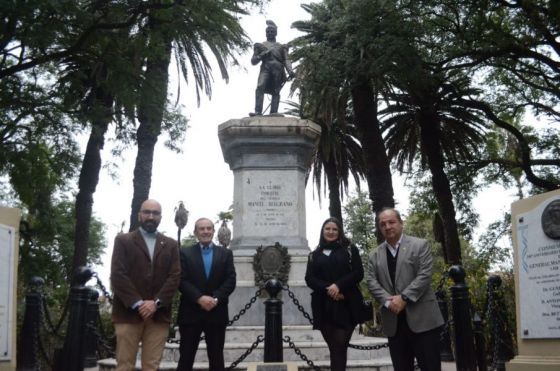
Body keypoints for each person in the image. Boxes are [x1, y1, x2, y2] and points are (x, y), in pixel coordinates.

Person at [367, 208, 444, 371]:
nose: (387, 227)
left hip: (423, 320)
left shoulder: (420, 245)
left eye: (391, 222)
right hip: (394, 323)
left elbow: (424, 275)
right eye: (383, 224)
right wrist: (389, 302)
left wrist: (403, 298)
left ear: (401, 223)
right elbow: (371, 281)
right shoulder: (374, 255)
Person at [110, 199, 181, 371]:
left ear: (160, 217)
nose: (151, 216)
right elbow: (118, 275)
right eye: (147, 212)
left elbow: (175, 276)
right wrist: (138, 303)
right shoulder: (123, 240)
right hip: (128, 313)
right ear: (139, 215)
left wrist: (155, 303)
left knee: (152, 366)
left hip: (158, 315)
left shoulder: (170, 244)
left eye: (155, 213)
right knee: (124, 365)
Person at [305, 217, 365, 371]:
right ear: (322, 231)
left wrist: (339, 286)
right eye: (327, 229)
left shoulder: (350, 249)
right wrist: (329, 288)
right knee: (335, 348)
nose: (331, 232)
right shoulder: (314, 254)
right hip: (323, 307)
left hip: (346, 305)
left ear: (339, 232)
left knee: (339, 346)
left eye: (334, 229)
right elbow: (310, 279)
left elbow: (358, 273)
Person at [176, 217, 236, 371]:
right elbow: (181, 280)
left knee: (216, 360)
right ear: (196, 232)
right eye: (202, 229)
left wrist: (215, 298)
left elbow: (230, 280)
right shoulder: (184, 252)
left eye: (209, 228)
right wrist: (199, 298)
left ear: (213, 231)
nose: (206, 231)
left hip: (216, 313)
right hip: (191, 313)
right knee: (186, 359)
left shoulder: (226, 254)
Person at [249, 20, 295, 116]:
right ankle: (258, 111)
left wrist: (290, 71)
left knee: (276, 90)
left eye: (272, 31)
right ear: (266, 33)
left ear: (276, 33)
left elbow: (287, 59)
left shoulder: (282, 47)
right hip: (265, 68)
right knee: (260, 86)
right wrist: (262, 54)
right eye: (268, 32)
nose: (270, 33)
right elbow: (253, 61)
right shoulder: (260, 45)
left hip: (278, 69)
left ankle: (273, 112)